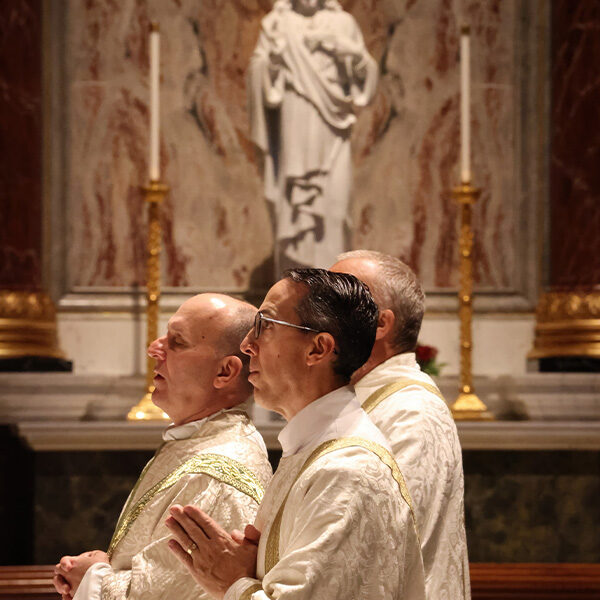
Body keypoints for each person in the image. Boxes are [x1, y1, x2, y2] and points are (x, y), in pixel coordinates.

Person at [165, 268, 426, 600]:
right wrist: (254, 570)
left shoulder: (346, 471)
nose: (247, 344)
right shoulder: (310, 449)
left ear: (317, 349)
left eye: (265, 326)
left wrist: (232, 583)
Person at [53, 294, 273, 600]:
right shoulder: (197, 441)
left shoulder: (220, 476)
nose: (154, 349)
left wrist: (92, 579)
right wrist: (101, 566)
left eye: (177, 342)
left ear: (225, 372)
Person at [331, 250, 470, 599]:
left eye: (334, 300)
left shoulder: (412, 412)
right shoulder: (363, 398)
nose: (315, 315)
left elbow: (376, 549)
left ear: (380, 324)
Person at [248, 0, 378, 270]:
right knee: (294, 206)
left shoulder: (343, 23)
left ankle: (335, 289)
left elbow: (366, 77)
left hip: (333, 127)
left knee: (336, 207)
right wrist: (272, 62)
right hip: (295, 120)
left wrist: (347, 50)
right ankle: (294, 288)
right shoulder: (278, 24)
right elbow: (259, 72)